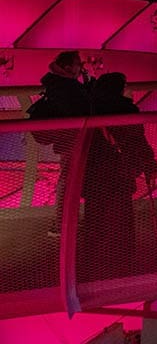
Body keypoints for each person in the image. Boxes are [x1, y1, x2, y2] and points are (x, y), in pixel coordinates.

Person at [79, 72, 157, 280]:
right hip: (119, 173)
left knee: (94, 219)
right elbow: (138, 143)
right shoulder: (126, 109)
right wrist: (150, 165)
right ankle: (123, 260)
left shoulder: (89, 108)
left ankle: (87, 262)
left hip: (93, 174)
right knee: (122, 218)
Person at [38, 51, 92, 236]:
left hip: (67, 138)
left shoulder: (56, 83)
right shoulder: (67, 86)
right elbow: (83, 106)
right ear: (68, 67)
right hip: (72, 138)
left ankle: (66, 222)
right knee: (69, 181)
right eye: (79, 64)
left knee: (68, 179)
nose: (81, 68)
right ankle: (64, 224)